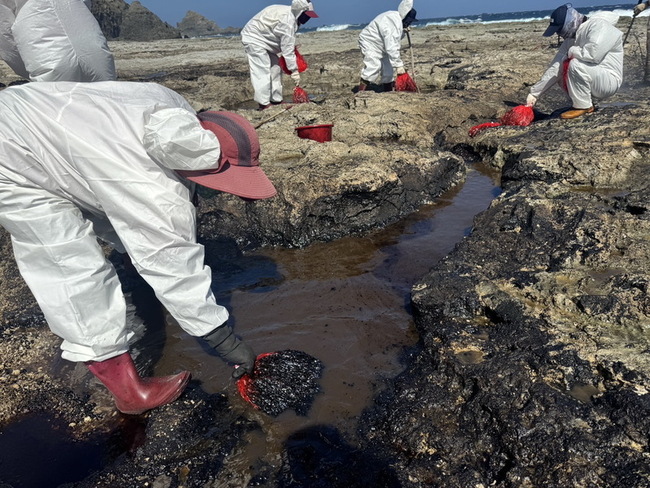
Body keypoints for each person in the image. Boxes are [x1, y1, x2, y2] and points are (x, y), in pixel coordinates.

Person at [0, 80, 277, 414]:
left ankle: (132, 261)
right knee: (67, 262)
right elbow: (172, 263)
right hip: (11, 153)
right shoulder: (153, 188)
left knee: (102, 195)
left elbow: (110, 190)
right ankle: (129, 392)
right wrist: (226, 343)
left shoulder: (169, 103)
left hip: (32, 114)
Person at [525, 3, 623, 120]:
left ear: (570, 23)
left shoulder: (599, 26)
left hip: (609, 80)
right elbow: (555, 68)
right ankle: (581, 103)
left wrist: (571, 51)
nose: (559, 34)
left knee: (574, 64)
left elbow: (593, 54)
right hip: (595, 78)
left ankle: (583, 106)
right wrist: (534, 94)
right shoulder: (572, 40)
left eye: (560, 30)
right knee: (561, 70)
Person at [0, 0, 115, 82]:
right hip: (99, 55)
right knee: (105, 108)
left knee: (58, 112)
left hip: (49, 60)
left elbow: (5, 37)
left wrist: (27, 69)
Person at [241, 0, 318, 111]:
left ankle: (276, 100)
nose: (307, 19)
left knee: (276, 68)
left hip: (266, 40)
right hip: (254, 38)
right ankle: (263, 104)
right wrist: (294, 71)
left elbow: (283, 42)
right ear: (300, 12)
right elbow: (287, 50)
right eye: (306, 16)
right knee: (262, 70)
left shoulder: (290, 15)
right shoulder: (287, 22)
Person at [357, 0, 417, 93]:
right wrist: (399, 65)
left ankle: (387, 93)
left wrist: (403, 31)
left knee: (388, 70)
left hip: (382, 45)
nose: (410, 23)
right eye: (410, 21)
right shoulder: (393, 22)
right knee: (373, 66)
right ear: (406, 18)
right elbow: (392, 46)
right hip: (370, 42)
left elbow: (394, 39)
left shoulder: (397, 19)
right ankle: (360, 93)